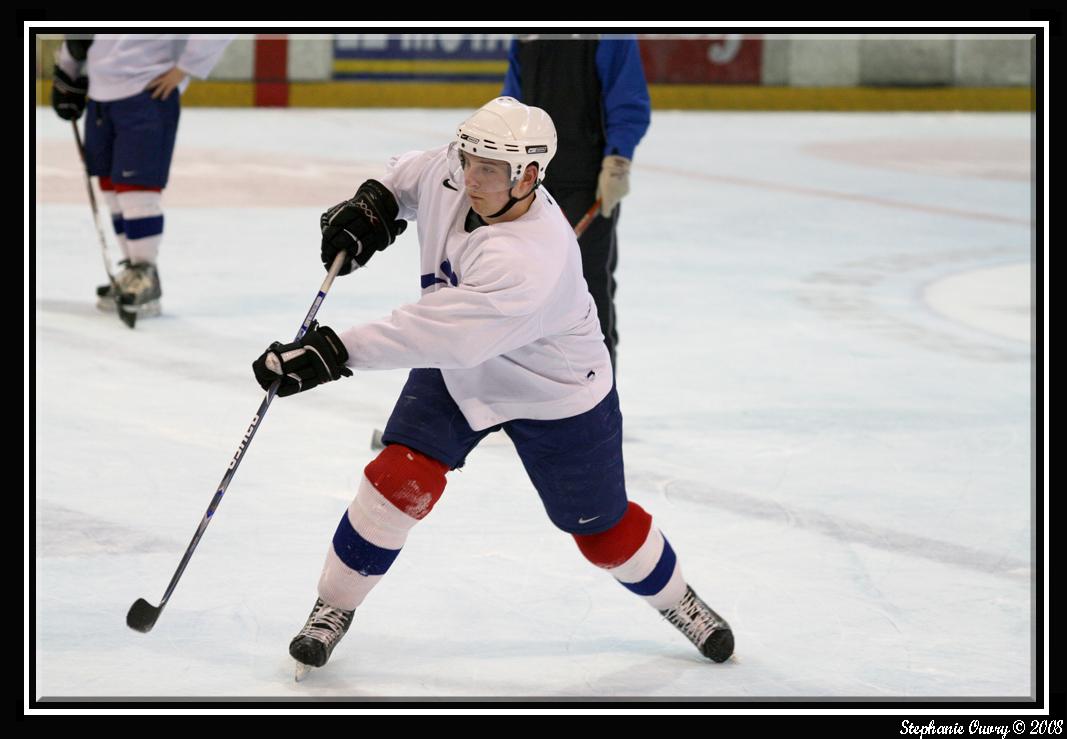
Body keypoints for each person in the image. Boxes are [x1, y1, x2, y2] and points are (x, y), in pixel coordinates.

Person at [252, 97, 733, 675]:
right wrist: (372, 206)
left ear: (529, 175)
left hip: (555, 390)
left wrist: (335, 352)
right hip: (464, 370)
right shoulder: (458, 170)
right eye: (469, 160)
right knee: (397, 480)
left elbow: (441, 335)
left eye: (490, 169)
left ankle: (678, 599)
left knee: (601, 531)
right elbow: (409, 172)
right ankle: (332, 609)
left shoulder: (532, 257)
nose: (471, 177)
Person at [51, 34, 232, 318]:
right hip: (100, 92)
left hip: (147, 90)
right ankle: (133, 271)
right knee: (110, 185)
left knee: (136, 188)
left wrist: (186, 68)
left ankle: (145, 273)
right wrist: (67, 70)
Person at [502, 35, 651, 370]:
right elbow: (511, 102)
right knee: (521, 289)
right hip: (531, 181)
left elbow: (628, 98)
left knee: (589, 292)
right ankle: (528, 398)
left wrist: (618, 159)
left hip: (586, 182)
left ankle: (599, 402)